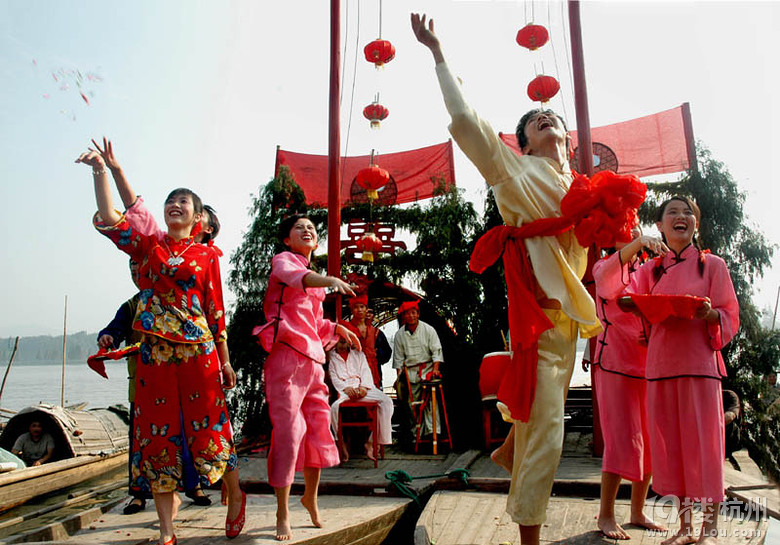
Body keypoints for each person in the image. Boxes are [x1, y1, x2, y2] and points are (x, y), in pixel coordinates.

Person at [412, 14, 601, 545]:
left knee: (539, 420)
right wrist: (438, 54)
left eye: (550, 116)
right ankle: (529, 539)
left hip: (570, 325)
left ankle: (509, 448)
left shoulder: (584, 187)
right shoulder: (516, 171)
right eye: (533, 121)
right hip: (539, 319)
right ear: (523, 145)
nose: (544, 117)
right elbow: (467, 122)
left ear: (566, 138)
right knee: (549, 435)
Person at [76, 146, 245, 545]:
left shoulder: (207, 256)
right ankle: (167, 530)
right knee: (156, 435)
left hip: (199, 353)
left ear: (198, 218)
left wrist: (225, 361)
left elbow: (216, 312)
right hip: (154, 356)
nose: (175, 205)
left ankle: (235, 492)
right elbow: (113, 217)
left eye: (183, 201)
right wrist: (102, 172)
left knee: (212, 426)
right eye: (170, 200)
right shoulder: (149, 245)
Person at [629, 196, 739, 545]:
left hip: (700, 369)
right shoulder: (649, 269)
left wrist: (710, 315)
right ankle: (685, 528)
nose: (681, 216)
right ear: (659, 226)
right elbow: (623, 298)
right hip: (661, 368)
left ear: (696, 224)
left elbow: (730, 315)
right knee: (671, 450)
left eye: (688, 212)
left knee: (705, 449)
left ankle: (709, 529)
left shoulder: (713, 266)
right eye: (672, 212)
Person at [253, 214, 361, 542]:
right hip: (286, 359)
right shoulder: (283, 262)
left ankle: (310, 498)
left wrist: (337, 328)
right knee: (289, 433)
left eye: (311, 227)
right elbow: (297, 277)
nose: (307, 230)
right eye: (299, 227)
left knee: (317, 431)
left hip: (313, 362)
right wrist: (329, 279)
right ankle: (282, 512)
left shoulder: (313, 283)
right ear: (287, 239)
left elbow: (315, 324)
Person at [97, 259, 212, 515]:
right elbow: (113, 331)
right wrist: (107, 338)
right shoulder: (131, 306)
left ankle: (194, 486)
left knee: (185, 436)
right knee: (141, 443)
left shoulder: (175, 300)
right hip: (144, 386)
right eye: (133, 272)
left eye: (141, 271)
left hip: (178, 383)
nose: (137, 276)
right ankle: (139, 494)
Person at [591, 227, 668, 539]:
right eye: (625, 228)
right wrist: (636, 244)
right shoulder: (603, 266)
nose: (634, 231)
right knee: (621, 440)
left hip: (649, 363)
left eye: (635, 226)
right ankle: (606, 515)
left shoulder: (648, 270)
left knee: (649, 440)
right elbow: (607, 281)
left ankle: (637, 510)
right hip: (614, 364)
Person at [328, 336, 393, 462]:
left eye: (344, 342)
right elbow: (334, 377)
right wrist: (345, 388)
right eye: (340, 342)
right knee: (334, 409)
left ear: (349, 342)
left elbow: (365, 372)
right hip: (346, 391)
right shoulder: (332, 357)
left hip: (363, 388)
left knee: (386, 402)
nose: (342, 345)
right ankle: (341, 442)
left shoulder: (358, 354)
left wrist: (363, 387)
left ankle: (371, 441)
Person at [393, 300, 444, 437]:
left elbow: (436, 351)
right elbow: (398, 360)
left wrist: (435, 369)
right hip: (410, 373)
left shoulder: (428, 330)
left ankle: (433, 433)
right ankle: (417, 435)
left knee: (430, 402)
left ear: (418, 314)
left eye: (413, 313)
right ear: (403, 316)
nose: (411, 316)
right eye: (407, 314)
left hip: (428, 369)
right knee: (412, 405)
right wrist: (399, 379)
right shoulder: (399, 335)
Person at [341, 295, 389, 388]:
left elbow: (387, 353)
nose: (359, 310)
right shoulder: (346, 329)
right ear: (352, 310)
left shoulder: (375, 332)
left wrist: (377, 355)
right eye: (356, 307)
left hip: (372, 373)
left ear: (366, 309)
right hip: (352, 373)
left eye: (362, 307)